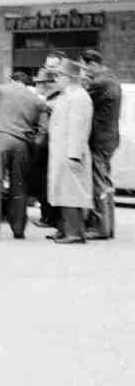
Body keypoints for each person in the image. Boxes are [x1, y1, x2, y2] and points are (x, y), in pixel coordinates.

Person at [0, 72, 48, 240]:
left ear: (12, 80)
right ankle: (18, 229)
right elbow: (43, 129)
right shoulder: (37, 100)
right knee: (19, 186)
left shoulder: (1, 90)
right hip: (22, 144)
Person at [46, 59, 94, 244]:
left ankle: (74, 233)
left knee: (71, 193)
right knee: (61, 191)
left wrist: (74, 154)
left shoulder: (79, 97)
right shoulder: (66, 95)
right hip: (61, 151)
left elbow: (78, 128)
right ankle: (63, 229)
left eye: (59, 75)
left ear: (69, 77)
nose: (55, 78)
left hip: (70, 152)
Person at [79, 49, 122, 240]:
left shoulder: (99, 83)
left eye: (85, 67)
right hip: (109, 138)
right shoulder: (111, 78)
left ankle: (100, 228)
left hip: (99, 139)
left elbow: (81, 98)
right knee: (106, 183)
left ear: (92, 64)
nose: (85, 71)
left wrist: (81, 80)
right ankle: (108, 226)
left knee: (99, 183)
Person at [31, 67, 61, 228]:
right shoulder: (55, 99)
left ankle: (48, 217)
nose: (38, 86)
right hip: (51, 147)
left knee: (43, 183)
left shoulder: (47, 102)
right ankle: (50, 216)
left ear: (48, 83)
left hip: (44, 147)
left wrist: (36, 143)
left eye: (40, 83)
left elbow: (44, 128)